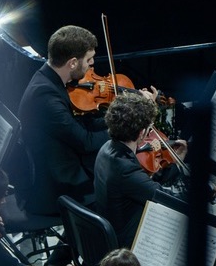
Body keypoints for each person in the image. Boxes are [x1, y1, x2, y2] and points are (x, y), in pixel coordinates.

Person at [17, 25, 141, 217]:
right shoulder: (45, 95)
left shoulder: (48, 80)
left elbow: (81, 124)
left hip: (61, 167)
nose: (92, 65)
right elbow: (85, 142)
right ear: (73, 63)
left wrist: (116, 119)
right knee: (127, 202)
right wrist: (123, 129)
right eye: (89, 60)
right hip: (55, 189)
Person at [93, 91, 187, 247]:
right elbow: (166, 198)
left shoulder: (106, 149)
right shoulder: (125, 169)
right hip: (127, 243)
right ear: (142, 133)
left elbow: (144, 184)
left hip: (111, 230)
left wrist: (176, 164)